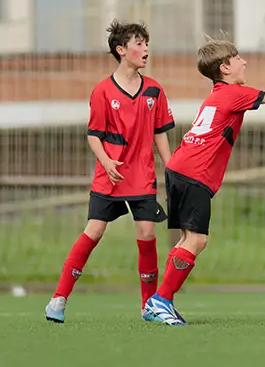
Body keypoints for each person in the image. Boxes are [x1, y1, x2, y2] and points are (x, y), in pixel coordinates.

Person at [143, 37, 265, 325]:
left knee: (189, 238)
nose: (244, 62)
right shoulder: (233, 93)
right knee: (197, 239)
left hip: (180, 169)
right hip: (192, 173)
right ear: (224, 68)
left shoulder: (218, 94)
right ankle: (161, 300)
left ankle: (161, 300)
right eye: (238, 58)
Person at [45, 20, 175, 324]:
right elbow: (94, 135)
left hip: (142, 175)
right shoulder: (103, 91)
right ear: (121, 50)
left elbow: (161, 133)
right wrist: (105, 161)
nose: (145, 49)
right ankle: (59, 299)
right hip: (110, 176)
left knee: (146, 233)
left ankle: (149, 306)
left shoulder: (154, 89)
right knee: (95, 230)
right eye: (139, 43)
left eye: (146, 42)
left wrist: (172, 168)